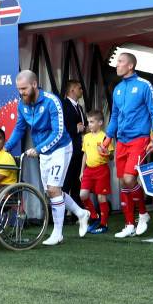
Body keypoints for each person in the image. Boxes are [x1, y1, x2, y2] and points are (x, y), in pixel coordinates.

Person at [5, 70, 90, 246]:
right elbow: (19, 129)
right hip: (43, 152)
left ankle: (58, 233)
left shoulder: (52, 101)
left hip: (61, 148)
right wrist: (5, 148)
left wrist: (38, 148)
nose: (21, 92)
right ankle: (82, 214)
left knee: (53, 189)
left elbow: (58, 132)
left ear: (34, 84)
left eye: (24, 88)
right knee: (53, 192)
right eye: (19, 89)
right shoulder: (22, 104)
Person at [101, 52, 153, 238]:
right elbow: (115, 117)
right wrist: (107, 139)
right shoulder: (117, 89)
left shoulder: (144, 85)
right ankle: (129, 224)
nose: (117, 65)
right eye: (117, 62)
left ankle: (143, 213)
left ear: (130, 66)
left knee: (129, 178)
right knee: (123, 183)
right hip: (122, 141)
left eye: (120, 62)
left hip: (139, 139)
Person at [80, 110, 114, 234]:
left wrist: (107, 153)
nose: (89, 124)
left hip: (101, 170)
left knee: (101, 197)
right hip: (88, 171)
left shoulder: (105, 136)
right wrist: (82, 171)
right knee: (83, 195)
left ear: (100, 123)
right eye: (88, 122)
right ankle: (94, 217)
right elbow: (85, 154)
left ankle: (103, 224)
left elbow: (111, 156)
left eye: (92, 122)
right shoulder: (87, 137)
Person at [62, 80, 88, 213]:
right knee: (66, 182)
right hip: (68, 149)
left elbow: (83, 126)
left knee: (77, 182)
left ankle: (77, 213)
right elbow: (61, 127)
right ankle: (60, 213)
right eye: (79, 88)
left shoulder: (79, 107)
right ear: (72, 90)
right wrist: (75, 129)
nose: (82, 90)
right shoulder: (63, 105)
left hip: (79, 150)